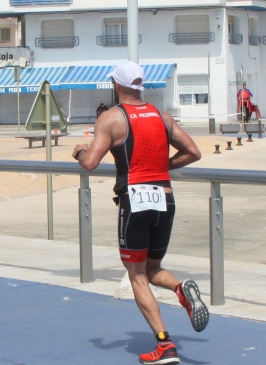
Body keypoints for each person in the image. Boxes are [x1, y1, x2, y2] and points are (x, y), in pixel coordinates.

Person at [73, 61, 207, 365]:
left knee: (135, 275)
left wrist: (79, 151)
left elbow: (90, 163)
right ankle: (179, 287)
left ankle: (164, 344)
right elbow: (194, 152)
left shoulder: (111, 119)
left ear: (116, 84)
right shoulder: (162, 116)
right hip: (166, 200)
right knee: (150, 268)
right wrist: (161, 169)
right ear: (140, 85)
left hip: (135, 201)